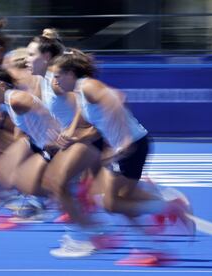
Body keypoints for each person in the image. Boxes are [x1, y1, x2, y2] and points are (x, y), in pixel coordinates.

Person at [49, 49, 195, 264]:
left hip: (132, 146)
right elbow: (96, 125)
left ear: (71, 73)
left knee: (112, 203)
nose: (54, 80)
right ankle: (152, 248)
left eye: (57, 75)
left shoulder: (88, 86)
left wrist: (124, 140)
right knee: (117, 200)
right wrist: (74, 135)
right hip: (128, 146)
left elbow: (116, 99)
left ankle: (167, 209)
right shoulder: (81, 91)